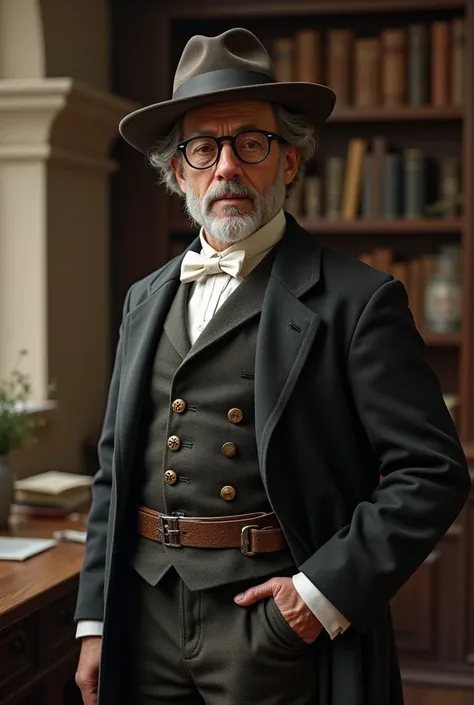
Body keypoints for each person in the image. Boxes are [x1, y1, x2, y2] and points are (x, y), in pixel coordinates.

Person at [74, 27, 471, 705]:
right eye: (204, 147)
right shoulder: (144, 297)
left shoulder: (359, 299)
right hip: (144, 615)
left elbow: (433, 473)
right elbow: (115, 469)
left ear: (288, 162)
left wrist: (313, 599)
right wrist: (94, 619)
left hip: (270, 628)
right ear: (180, 173)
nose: (226, 166)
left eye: (249, 143)